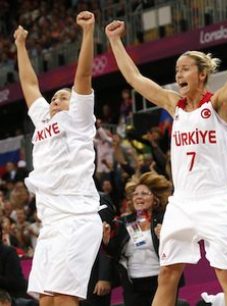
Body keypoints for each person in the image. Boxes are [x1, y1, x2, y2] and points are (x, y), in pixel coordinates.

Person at [105, 8, 227, 306]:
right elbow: (135, 79)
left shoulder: (217, 103)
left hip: (216, 200)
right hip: (183, 202)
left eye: (185, 68)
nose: (178, 74)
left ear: (202, 74)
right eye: (177, 69)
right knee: (167, 274)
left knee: (226, 275)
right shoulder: (173, 104)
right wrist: (114, 41)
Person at [15, 11, 102, 306]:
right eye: (53, 99)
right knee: (46, 300)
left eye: (63, 97)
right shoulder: (42, 121)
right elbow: (29, 85)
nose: (55, 101)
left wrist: (88, 33)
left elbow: (84, 75)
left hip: (77, 218)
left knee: (65, 298)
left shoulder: (77, 118)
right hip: (51, 222)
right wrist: (21, 46)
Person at [106, 172, 184, 306]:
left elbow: (178, 249)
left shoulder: (165, 220)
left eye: (144, 193)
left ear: (155, 199)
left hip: (161, 281)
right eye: (135, 194)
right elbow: (114, 254)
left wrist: (164, 238)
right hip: (133, 285)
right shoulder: (125, 222)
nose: (139, 197)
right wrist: (106, 242)